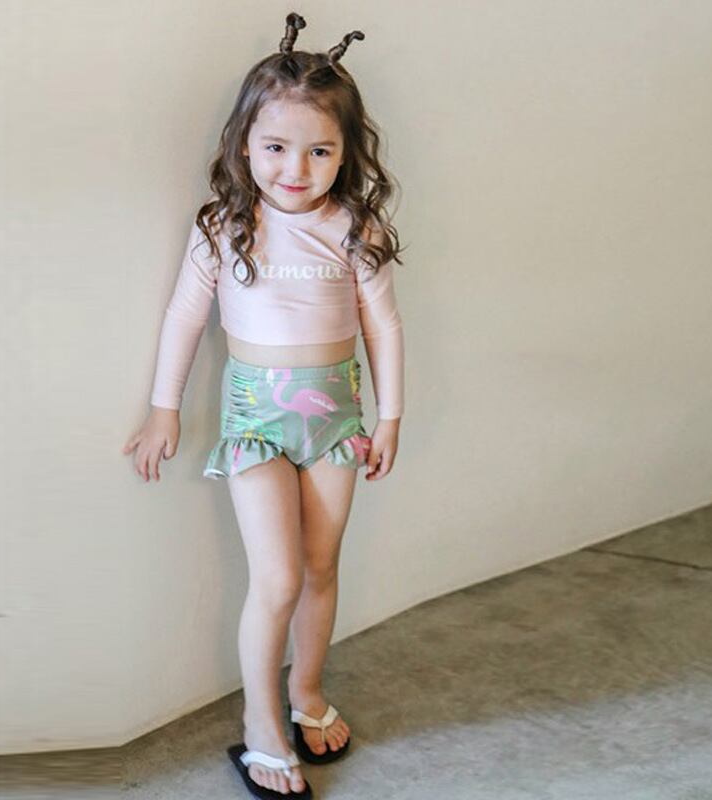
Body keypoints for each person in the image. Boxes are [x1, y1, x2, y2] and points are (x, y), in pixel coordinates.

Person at [122, 12, 405, 799]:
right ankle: (260, 722)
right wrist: (164, 407)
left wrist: (389, 417)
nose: (296, 168)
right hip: (255, 421)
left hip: (338, 420)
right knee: (277, 578)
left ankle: (306, 692)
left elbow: (384, 325)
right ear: (244, 144)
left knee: (320, 568)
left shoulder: (355, 227)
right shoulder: (224, 226)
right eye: (277, 147)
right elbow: (186, 314)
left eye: (320, 151)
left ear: (346, 153)